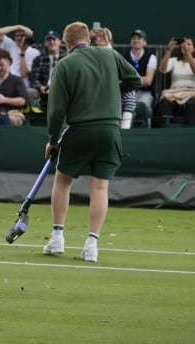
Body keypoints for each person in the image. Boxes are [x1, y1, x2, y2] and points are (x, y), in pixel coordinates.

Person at [43, 21, 141, 263]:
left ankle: (57, 239)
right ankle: (92, 245)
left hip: (80, 130)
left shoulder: (65, 64)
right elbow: (135, 80)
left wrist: (52, 140)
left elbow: (55, 112)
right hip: (110, 131)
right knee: (100, 188)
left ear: (67, 44)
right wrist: (112, 90)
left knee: (62, 181)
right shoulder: (110, 55)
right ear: (87, 38)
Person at [0, 50, 28, 126]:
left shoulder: (17, 80)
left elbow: (22, 101)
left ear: (9, 63)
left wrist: (5, 100)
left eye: (1, 65)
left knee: (7, 119)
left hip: (13, 112)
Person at [123, 29, 158, 126]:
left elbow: (148, 81)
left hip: (144, 93)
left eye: (139, 38)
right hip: (126, 92)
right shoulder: (123, 58)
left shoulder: (151, 57)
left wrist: (130, 80)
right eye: (133, 38)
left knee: (144, 106)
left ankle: (148, 130)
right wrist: (139, 80)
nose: (136, 40)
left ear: (144, 43)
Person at [158, 37, 195, 125]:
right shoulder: (174, 61)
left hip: (191, 93)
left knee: (192, 105)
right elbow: (162, 70)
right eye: (184, 44)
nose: (185, 46)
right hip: (175, 93)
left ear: (194, 49)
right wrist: (169, 50)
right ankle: (165, 132)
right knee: (166, 103)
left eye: (189, 44)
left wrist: (187, 54)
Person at [29, 30, 65, 111]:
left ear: (59, 42)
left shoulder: (66, 58)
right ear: (45, 43)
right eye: (49, 40)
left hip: (61, 89)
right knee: (30, 92)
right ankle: (32, 118)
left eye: (54, 40)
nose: (51, 42)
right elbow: (34, 78)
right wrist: (40, 87)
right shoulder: (39, 59)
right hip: (43, 89)